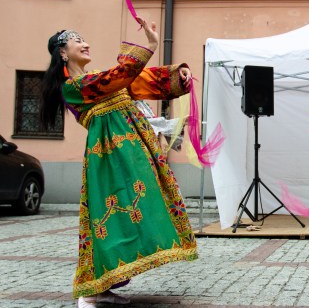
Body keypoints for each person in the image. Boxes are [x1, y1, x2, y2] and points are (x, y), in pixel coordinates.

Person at [40, 17, 197, 308]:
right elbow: (119, 77)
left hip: (133, 154)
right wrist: (150, 44)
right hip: (108, 159)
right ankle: (91, 290)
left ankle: (106, 287)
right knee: (110, 217)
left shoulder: (104, 78)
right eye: (77, 40)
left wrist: (177, 76)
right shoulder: (74, 87)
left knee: (138, 209)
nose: (85, 43)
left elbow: (137, 79)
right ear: (62, 52)